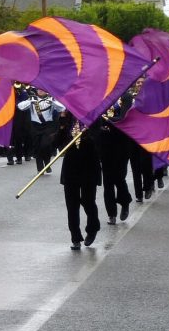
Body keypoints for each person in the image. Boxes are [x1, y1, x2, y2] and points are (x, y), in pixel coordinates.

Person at [57, 110, 101, 250]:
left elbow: (98, 140)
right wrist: (62, 124)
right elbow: (57, 143)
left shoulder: (94, 116)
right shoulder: (66, 118)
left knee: (88, 201)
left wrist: (89, 133)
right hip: (71, 167)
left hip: (89, 165)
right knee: (72, 204)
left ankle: (92, 228)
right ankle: (75, 237)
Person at [98, 93, 133, 224]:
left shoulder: (126, 97)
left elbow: (123, 119)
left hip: (121, 143)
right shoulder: (101, 95)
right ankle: (111, 214)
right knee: (107, 181)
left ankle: (125, 201)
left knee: (119, 177)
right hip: (105, 143)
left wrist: (105, 119)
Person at [18, 88, 63, 172]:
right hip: (35, 126)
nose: (40, 91)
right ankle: (40, 167)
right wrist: (30, 101)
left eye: (42, 89)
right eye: (38, 90)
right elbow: (20, 107)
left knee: (45, 145)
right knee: (37, 147)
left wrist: (53, 101)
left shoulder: (51, 99)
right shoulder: (32, 98)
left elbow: (62, 108)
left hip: (47, 126)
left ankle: (47, 164)